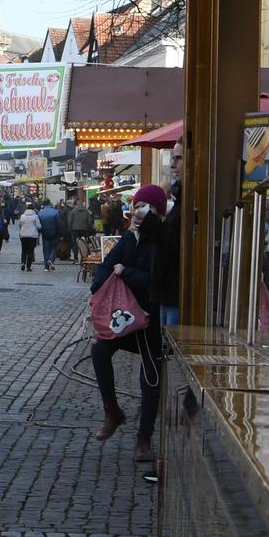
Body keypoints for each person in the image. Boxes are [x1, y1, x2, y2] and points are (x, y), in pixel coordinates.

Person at [89, 184, 179, 464]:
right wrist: (98, 285)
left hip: (151, 317)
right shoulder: (130, 238)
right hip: (126, 317)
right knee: (99, 351)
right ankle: (112, 411)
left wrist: (126, 273)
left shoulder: (162, 240)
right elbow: (109, 264)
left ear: (156, 211)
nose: (139, 212)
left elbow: (157, 281)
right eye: (137, 206)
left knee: (150, 378)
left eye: (146, 207)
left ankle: (144, 439)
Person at [66, 195, 95, 265]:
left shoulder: (73, 211)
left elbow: (69, 221)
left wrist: (70, 229)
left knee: (75, 244)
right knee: (84, 244)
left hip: (74, 230)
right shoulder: (86, 211)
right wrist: (89, 229)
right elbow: (89, 221)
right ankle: (83, 258)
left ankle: (76, 259)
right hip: (84, 230)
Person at [37, 199, 62, 272]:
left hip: (44, 233)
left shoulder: (40, 213)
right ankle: (51, 260)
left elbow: (38, 224)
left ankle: (46, 267)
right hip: (54, 233)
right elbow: (58, 224)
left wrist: (40, 232)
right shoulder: (55, 212)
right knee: (54, 248)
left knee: (46, 249)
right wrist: (60, 233)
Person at [16, 203, 42, 271]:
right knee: (31, 251)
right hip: (32, 236)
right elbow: (38, 226)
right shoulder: (35, 216)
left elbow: (20, 225)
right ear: (33, 209)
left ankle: (23, 263)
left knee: (24, 250)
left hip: (23, 235)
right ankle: (28, 267)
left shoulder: (22, 216)